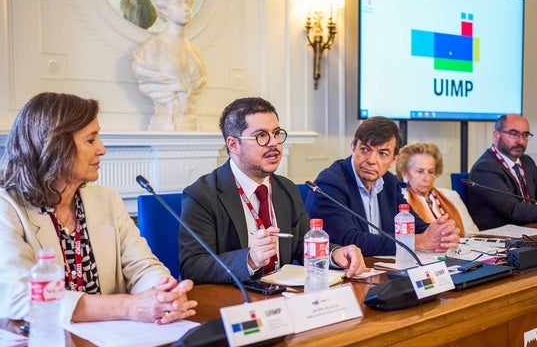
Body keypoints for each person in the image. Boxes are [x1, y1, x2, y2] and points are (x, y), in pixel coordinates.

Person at [0, 92, 197, 324]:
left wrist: (163, 293)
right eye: (91, 140)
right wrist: (128, 306)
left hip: (106, 337)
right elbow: (21, 297)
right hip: (30, 337)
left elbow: (142, 266)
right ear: (55, 145)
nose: (102, 149)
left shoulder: (107, 199)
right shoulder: (2, 206)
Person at [178, 97, 365, 284]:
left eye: (276, 133)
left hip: (281, 298)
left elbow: (301, 244)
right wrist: (250, 259)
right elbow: (192, 266)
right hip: (233, 301)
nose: (273, 143)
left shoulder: (286, 189)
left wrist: (334, 254)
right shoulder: (202, 195)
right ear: (233, 144)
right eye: (261, 136)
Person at [305, 116, 460, 257]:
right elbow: (349, 240)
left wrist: (441, 234)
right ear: (353, 147)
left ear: (394, 160)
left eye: (383, 153)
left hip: (382, 269)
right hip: (344, 276)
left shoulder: (388, 182)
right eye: (365, 149)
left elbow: (414, 226)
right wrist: (417, 242)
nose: (372, 160)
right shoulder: (330, 184)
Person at [132, 0, 208, 131]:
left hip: (191, 121)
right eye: (178, 3)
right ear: (164, 9)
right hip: (165, 122)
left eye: (188, 2)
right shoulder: (152, 48)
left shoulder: (194, 52)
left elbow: (199, 80)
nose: (186, 8)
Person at [468, 114, 537, 230]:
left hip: (529, 230)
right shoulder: (484, 168)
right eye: (514, 134)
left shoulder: (527, 162)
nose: (520, 141)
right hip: (501, 239)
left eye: (525, 135)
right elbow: (514, 211)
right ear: (496, 135)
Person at [395, 142, 479, 237]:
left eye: (431, 172)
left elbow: (472, 233)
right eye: (420, 171)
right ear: (404, 173)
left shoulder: (451, 196)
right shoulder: (400, 200)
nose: (426, 178)